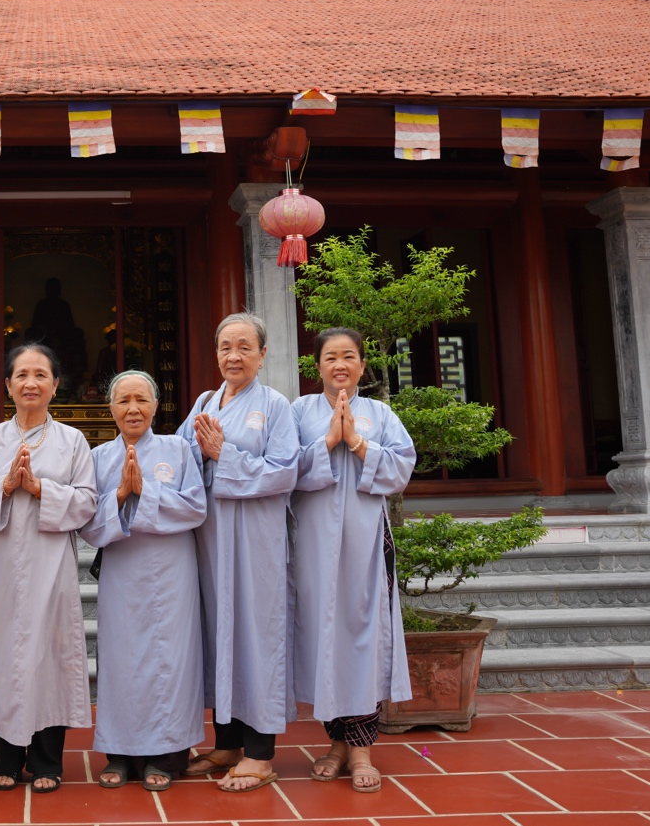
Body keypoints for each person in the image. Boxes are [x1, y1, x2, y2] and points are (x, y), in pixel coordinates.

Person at [0, 343, 96, 794]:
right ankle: (5, 757)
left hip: (50, 564)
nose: (30, 383)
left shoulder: (72, 441)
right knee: (1, 652)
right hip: (0, 563)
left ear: (56, 385)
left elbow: (87, 502)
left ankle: (46, 760)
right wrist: (3, 485)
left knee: (50, 654)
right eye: (21, 375)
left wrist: (41, 489)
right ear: (7, 385)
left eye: (41, 374)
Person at [290, 327, 416, 794]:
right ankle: (338, 744)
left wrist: (358, 444)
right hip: (313, 548)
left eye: (349, 357)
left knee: (364, 635)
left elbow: (402, 470)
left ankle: (362, 748)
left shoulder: (380, 414)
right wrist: (325, 442)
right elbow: (283, 471)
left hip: (365, 546)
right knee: (326, 639)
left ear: (363, 365)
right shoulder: (299, 412)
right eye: (330, 357)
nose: (339, 365)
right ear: (317, 366)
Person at [178, 312, 299, 793]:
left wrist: (224, 455)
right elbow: (181, 455)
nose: (234, 355)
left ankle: (261, 754)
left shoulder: (274, 406)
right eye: (226, 346)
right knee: (218, 634)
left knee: (256, 635)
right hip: (210, 540)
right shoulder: (206, 401)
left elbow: (284, 471)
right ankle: (226, 744)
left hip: (255, 542)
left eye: (245, 347)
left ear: (263, 354)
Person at [81, 370, 207, 791]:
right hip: (121, 571)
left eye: (141, 400)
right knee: (122, 661)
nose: (132, 408)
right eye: (123, 401)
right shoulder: (98, 458)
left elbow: (195, 508)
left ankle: (164, 755)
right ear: (111, 408)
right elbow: (86, 523)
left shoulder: (178, 449)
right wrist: (118, 496)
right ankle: (119, 752)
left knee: (170, 660)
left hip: (173, 574)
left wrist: (146, 491)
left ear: (156, 405)